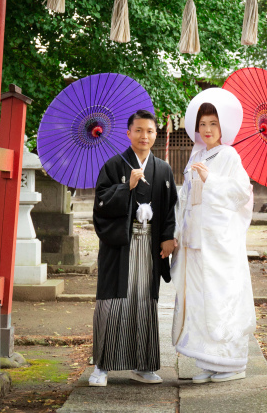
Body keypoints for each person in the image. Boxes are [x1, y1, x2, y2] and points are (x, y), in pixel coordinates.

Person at [171, 88, 256, 384]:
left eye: (213, 124)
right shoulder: (197, 155)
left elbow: (241, 193)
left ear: (222, 128)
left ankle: (232, 363)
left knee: (221, 298)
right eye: (203, 124)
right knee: (199, 300)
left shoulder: (229, 155)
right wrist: (177, 232)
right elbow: (185, 200)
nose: (207, 130)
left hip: (220, 243)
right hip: (196, 240)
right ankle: (210, 360)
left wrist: (212, 179)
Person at [89, 109, 178, 387]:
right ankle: (102, 367)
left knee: (143, 301)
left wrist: (167, 236)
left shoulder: (162, 169)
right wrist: (125, 187)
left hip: (149, 245)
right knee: (113, 303)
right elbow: (101, 204)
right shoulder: (114, 165)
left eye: (150, 131)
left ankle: (144, 365)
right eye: (138, 130)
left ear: (155, 134)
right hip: (121, 246)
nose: (144, 136)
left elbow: (170, 209)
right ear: (128, 133)